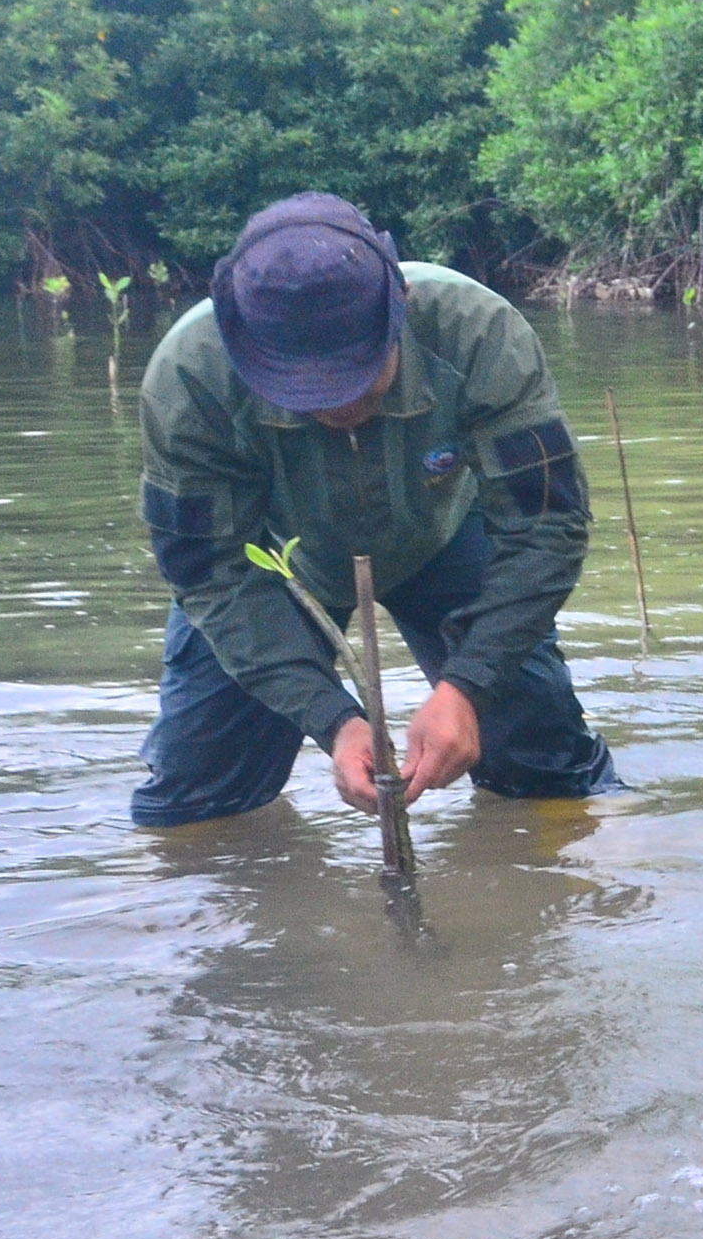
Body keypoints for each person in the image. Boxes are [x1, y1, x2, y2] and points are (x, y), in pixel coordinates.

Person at [129, 192, 620, 831]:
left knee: (545, 761)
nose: (337, 406)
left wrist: (467, 686)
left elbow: (546, 523)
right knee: (194, 802)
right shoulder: (188, 379)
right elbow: (208, 571)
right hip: (274, 563)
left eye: (356, 373)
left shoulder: (479, 332)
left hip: (446, 537)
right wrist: (333, 719)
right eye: (300, 388)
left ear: (400, 308)